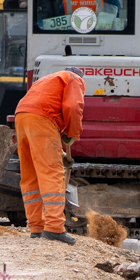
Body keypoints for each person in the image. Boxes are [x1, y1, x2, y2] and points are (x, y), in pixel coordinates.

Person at [14, 69, 86, 244]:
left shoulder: (48, 79)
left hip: (22, 116)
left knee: (31, 174)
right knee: (52, 172)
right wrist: (72, 132)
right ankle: (54, 228)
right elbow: (72, 106)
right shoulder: (74, 78)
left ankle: (36, 227)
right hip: (42, 117)